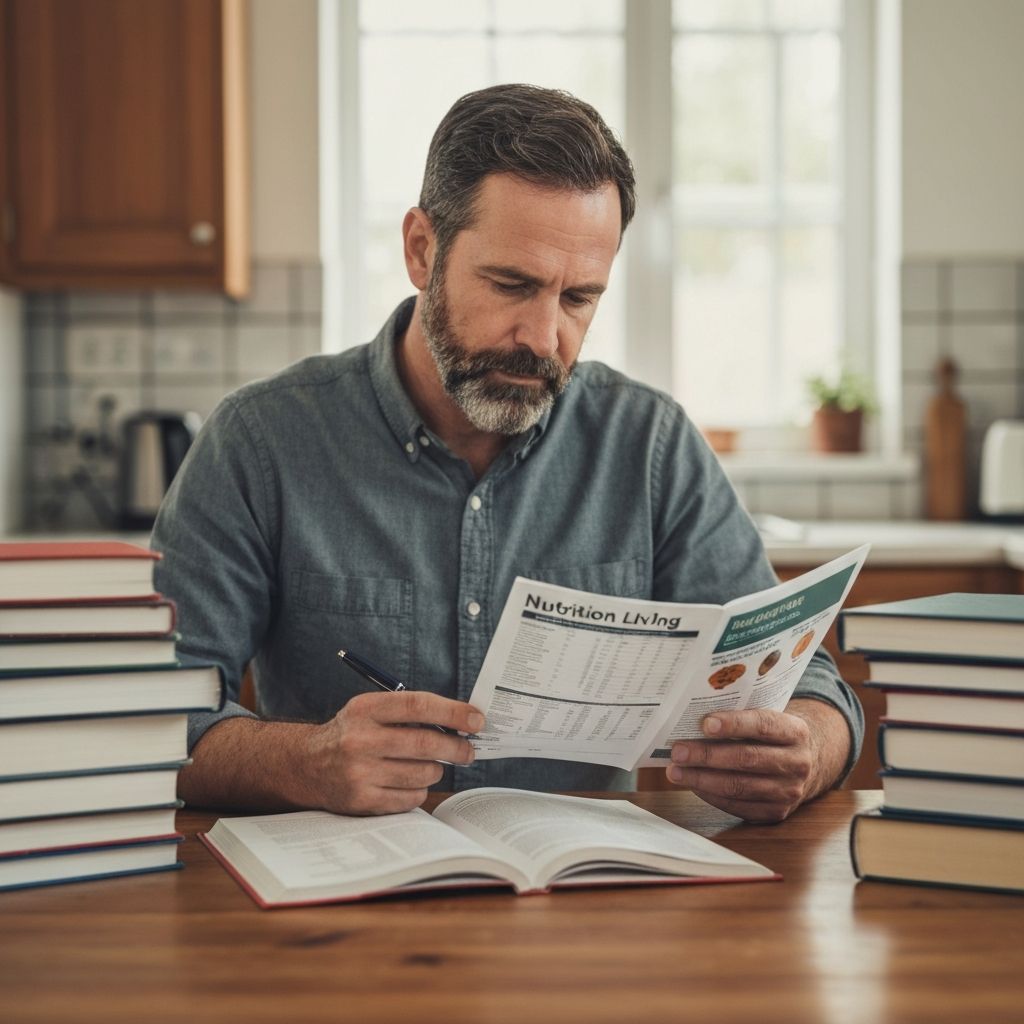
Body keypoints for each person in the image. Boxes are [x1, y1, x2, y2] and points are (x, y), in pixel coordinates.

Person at [153, 84, 862, 824]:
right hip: (340, 911)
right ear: (422, 250)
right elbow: (154, 715)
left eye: (578, 299)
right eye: (511, 285)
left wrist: (807, 747)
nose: (543, 336)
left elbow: (811, 688)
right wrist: (309, 762)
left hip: (581, 904)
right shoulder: (261, 441)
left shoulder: (649, 446)